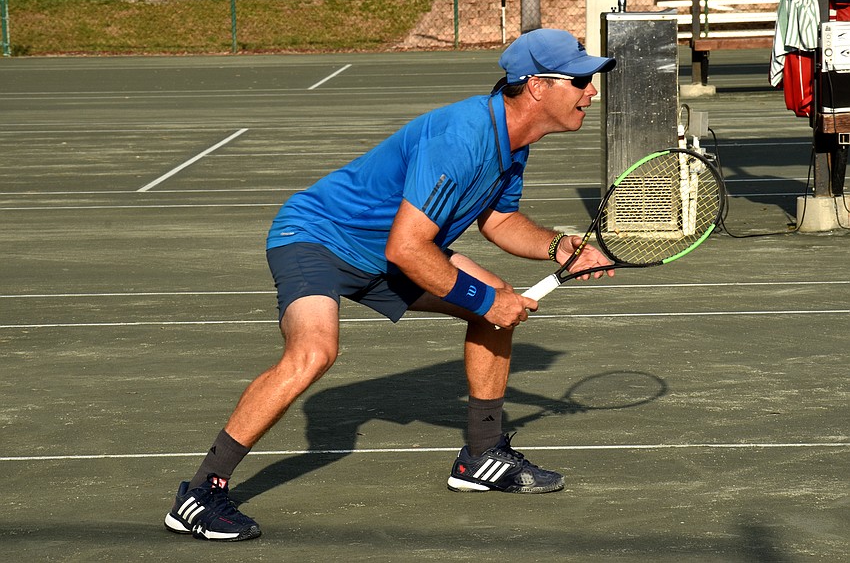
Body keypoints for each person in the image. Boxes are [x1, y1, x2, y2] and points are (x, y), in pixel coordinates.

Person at [164, 28, 616, 542]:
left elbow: (501, 221)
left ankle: (482, 456)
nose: (591, 92)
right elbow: (407, 249)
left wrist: (561, 246)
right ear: (537, 86)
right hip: (318, 237)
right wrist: (487, 300)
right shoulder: (462, 139)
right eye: (581, 80)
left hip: (392, 251)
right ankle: (200, 494)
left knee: (496, 304)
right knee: (315, 352)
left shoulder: (513, 140)